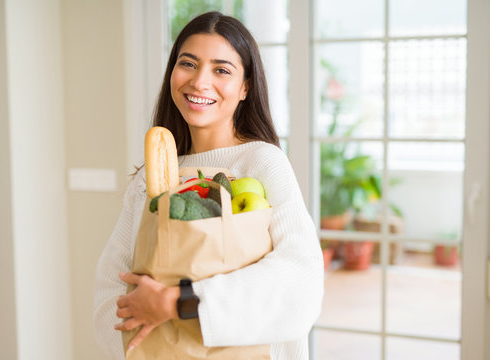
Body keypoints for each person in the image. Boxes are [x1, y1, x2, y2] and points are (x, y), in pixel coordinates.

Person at [93, 11, 324, 360]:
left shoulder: (261, 162)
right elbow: (112, 283)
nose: (200, 82)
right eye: (188, 63)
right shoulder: (150, 178)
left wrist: (180, 302)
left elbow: (300, 279)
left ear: (245, 87)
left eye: (221, 70)